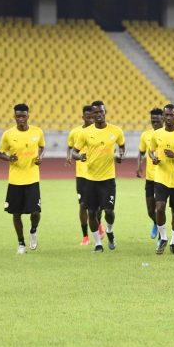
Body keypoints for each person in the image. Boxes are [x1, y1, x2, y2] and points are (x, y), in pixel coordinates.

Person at [71, 101, 125, 253]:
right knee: (92, 213)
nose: (99, 115)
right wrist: (79, 156)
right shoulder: (85, 133)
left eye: (101, 112)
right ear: (92, 115)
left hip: (108, 179)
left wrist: (120, 155)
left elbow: (122, 146)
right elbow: (73, 152)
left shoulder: (116, 130)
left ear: (105, 112)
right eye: (96, 113)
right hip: (90, 180)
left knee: (109, 211)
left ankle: (109, 230)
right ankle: (97, 244)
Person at [0, 103, 45, 254]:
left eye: (23, 116)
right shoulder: (8, 134)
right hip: (15, 180)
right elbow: (0, 153)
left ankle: (33, 230)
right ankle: (21, 243)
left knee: (36, 212)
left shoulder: (37, 132)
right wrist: (8, 158)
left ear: (28, 116)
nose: (21, 119)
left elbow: (42, 147)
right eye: (18, 116)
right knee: (16, 213)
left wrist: (40, 157)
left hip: (32, 179)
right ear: (14, 117)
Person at [148, 104, 174, 255]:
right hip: (161, 178)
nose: (168, 118)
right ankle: (164, 238)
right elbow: (151, 151)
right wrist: (154, 158)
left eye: (171, 115)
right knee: (159, 208)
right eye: (165, 115)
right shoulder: (156, 134)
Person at [67, 105, 100, 245]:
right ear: (83, 117)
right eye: (88, 117)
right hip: (82, 175)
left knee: (98, 206)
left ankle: (99, 226)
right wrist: (70, 157)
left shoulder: (99, 131)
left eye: (93, 117)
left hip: (97, 173)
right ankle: (85, 236)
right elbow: (70, 147)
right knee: (82, 205)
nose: (91, 120)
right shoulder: (75, 132)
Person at [136, 108, 164, 240]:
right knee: (150, 210)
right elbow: (142, 152)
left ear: (163, 119)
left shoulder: (168, 134)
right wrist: (138, 167)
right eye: (153, 121)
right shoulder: (145, 135)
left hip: (163, 178)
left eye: (157, 121)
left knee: (160, 209)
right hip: (150, 178)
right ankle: (155, 222)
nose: (155, 124)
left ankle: (161, 236)